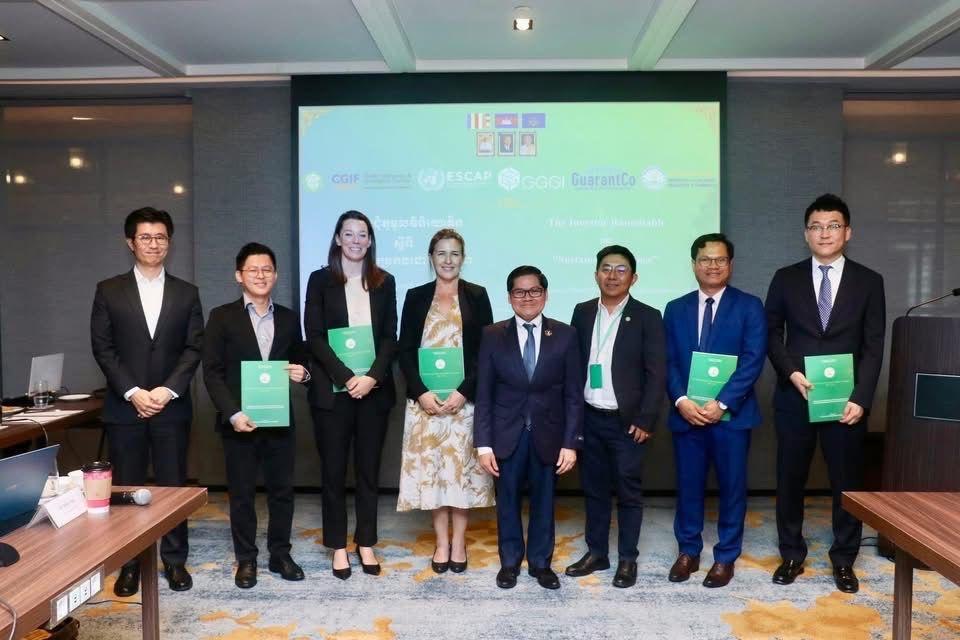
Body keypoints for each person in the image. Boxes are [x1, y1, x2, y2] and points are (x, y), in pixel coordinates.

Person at [765, 194, 885, 594]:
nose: (824, 233)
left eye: (833, 225)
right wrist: (791, 373)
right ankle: (791, 554)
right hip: (795, 395)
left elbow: (873, 345)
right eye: (816, 226)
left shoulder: (869, 281)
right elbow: (771, 333)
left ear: (847, 232)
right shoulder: (785, 277)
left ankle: (844, 559)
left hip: (845, 401)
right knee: (790, 478)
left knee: (846, 483)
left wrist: (861, 398)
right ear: (806, 234)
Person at [90, 207, 203, 596]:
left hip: (171, 407)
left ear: (169, 242)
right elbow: (103, 348)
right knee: (127, 487)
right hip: (126, 407)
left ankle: (174, 561)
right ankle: (130, 564)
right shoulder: (109, 290)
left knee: (173, 486)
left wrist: (166, 390)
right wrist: (133, 392)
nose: (154, 244)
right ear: (130, 242)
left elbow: (193, 348)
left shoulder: (187, 292)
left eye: (160, 237)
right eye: (145, 237)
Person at [202, 243, 311, 589]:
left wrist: (304, 373)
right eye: (253, 270)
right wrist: (232, 413)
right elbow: (212, 372)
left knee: (282, 492)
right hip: (240, 422)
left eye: (267, 269)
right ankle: (246, 559)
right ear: (239, 276)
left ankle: (280, 554)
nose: (261, 275)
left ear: (275, 275)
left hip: (279, 419)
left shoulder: (290, 318)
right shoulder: (221, 317)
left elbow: (302, 360)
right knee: (242, 494)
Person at [663, 234, 766, 588]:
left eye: (720, 260)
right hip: (687, 414)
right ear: (694, 264)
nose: (712, 266)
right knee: (688, 486)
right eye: (705, 259)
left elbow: (753, 360)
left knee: (732, 488)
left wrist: (721, 403)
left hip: (732, 417)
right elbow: (668, 360)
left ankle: (725, 557)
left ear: (730, 265)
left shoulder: (749, 306)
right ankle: (688, 552)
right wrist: (681, 400)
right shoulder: (675, 308)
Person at [474, 265, 583, 590]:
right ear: (509, 297)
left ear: (545, 295)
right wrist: (483, 444)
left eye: (534, 290)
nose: (527, 297)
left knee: (544, 502)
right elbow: (484, 393)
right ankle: (509, 563)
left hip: (549, 435)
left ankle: (540, 564)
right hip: (506, 435)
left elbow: (573, 394)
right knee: (507, 501)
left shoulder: (565, 335)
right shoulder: (492, 335)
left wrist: (571, 443)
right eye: (519, 292)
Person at [304, 210, 397, 580]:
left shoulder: (385, 281)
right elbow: (314, 336)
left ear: (370, 241)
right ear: (337, 238)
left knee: (369, 472)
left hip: (373, 391)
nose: (356, 240)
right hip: (333, 392)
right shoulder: (320, 280)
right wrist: (346, 376)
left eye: (363, 234)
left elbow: (390, 336)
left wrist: (371, 377)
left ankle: (366, 542)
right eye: (349, 233)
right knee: (333, 472)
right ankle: (338, 546)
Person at [565, 245, 666, 588]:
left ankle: (627, 559)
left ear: (633, 278)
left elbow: (656, 373)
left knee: (628, 492)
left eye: (621, 269)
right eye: (606, 268)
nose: (612, 275)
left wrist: (646, 419)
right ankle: (597, 553)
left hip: (628, 422)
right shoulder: (582, 312)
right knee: (593, 491)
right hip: (589, 417)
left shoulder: (648, 316)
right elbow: (572, 366)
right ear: (596, 274)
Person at [396, 229, 494, 574]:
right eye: (441, 253)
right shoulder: (416, 296)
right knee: (435, 474)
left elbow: (486, 351)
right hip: (426, 404)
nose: (448, 260)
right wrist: (421, 392)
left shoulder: (477, 295)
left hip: (463, 404)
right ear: (431, 258)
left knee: (461, 475)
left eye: (454, 253)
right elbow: (405, 350)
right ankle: (441, 543)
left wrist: (464, 391)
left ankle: (459, 542)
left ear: (463, 258)